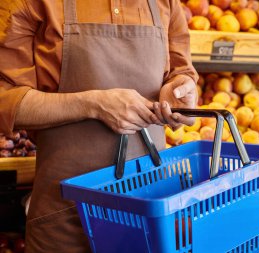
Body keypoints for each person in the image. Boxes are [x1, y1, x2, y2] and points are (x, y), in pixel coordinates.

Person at [0, 0, 198, 252]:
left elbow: (183, 75)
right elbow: (5, 100)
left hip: (148, 211)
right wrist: (92, 104)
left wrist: (182, 93)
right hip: (65, 217)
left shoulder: (167, 4)